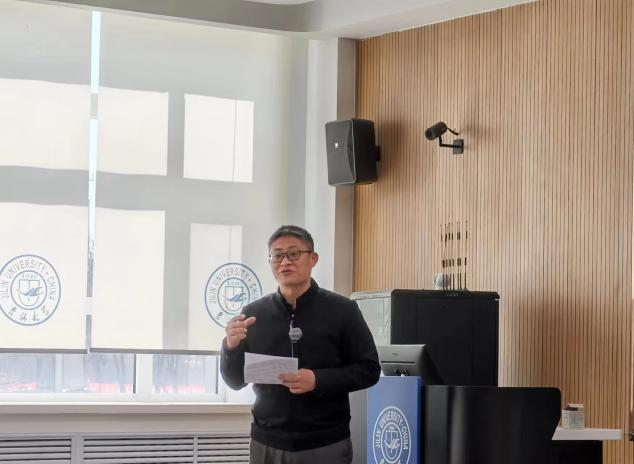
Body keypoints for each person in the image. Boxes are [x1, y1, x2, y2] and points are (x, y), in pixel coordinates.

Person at [220, 225, 380, 464]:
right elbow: (234, 381)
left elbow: (369, 370)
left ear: (313, 259)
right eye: (277, 255)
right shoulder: (254, 314)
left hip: (325, 441)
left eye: (294, 254)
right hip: (267, 441)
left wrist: (317, 380)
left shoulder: (342, 310)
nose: (285, 262)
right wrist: (230, 346)